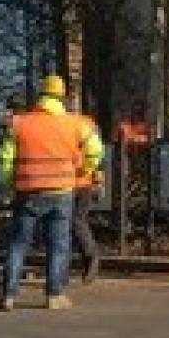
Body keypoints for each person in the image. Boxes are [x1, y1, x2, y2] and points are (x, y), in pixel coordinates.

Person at [0, 74, 102, 311]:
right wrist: (85, 169)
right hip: (61, 191)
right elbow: (96, 151)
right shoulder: (77, 123)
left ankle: (8, 295)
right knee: (58, 244)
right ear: (62, 97)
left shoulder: (19, 123)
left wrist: (8, 182)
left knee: (18, 243)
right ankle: (54, 295)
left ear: (40, 96)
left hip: (28, 191)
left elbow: (6, 158)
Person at [65, 94, 105, 283]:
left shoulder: (66, 124)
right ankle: (88, 258)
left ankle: (88, 257)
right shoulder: (88, 124)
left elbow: (97, 153)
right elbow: (98, 153)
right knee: (75, 222)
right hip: (77, 180)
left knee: (72, 222)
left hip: (75, 180)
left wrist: (93, 174)